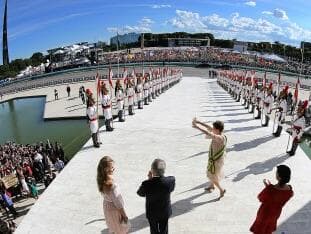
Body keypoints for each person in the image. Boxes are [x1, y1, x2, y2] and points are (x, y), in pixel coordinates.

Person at [250, 165, 293, 234]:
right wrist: (269, 187)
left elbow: (260, 198)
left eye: (276, 173)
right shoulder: (290, 190)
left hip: (265, 213)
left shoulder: (270, 189)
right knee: (268, 229)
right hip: (275, 213)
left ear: (279, 177)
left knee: (259, 230)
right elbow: (278, 195)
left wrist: (268, 188)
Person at [137, 159, 175, 234]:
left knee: (153, 230)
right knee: (164, 230)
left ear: (152, 171)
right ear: (164, 170)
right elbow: (171, 187)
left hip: (152, 213)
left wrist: (150, 179)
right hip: (164, 212)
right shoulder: (170, 181)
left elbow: (140, 193)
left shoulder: (147, 184)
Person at [192, 118, 227, 199]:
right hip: (214, 157)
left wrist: (197, 127)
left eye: (214, 128)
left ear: (217, 129)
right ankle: (211, 186)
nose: (212, 129)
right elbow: (208, 127)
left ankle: (221, 190)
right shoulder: (220, 133)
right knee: (211, 172)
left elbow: (208, 132)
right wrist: (198, 122)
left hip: (217, 160)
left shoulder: (220, 138)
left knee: (212, 175)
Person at [97, 156, 129, 234]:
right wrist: (125, 216)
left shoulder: (101, 179)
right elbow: (118, 203)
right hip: (114, 210)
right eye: (111, 167)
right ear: (106, 169)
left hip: (107, 208)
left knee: (114, 229)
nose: (114, 168)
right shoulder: (111, 185)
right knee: (121, 230)